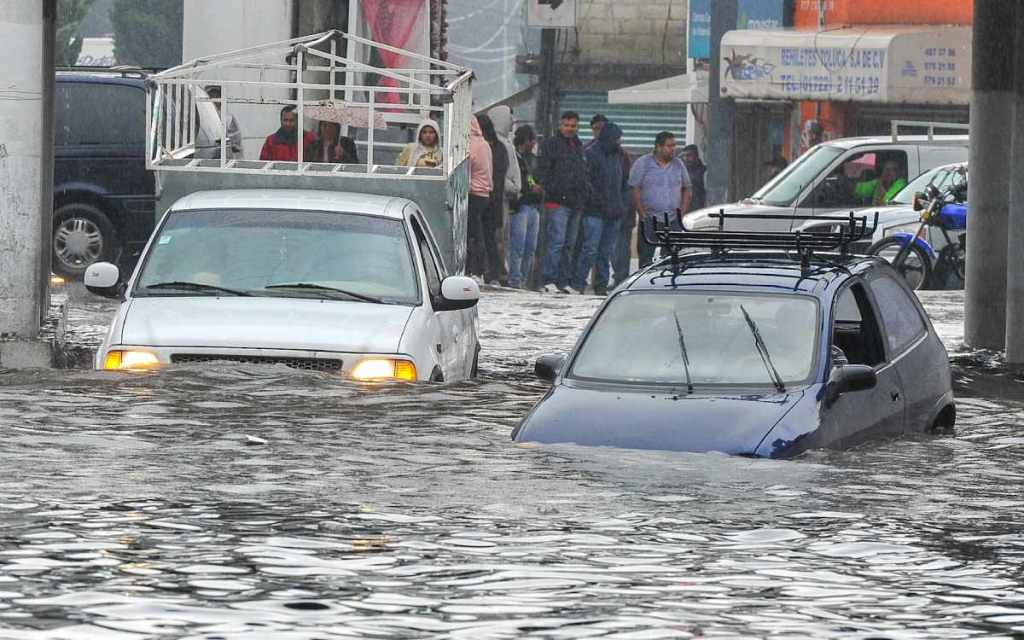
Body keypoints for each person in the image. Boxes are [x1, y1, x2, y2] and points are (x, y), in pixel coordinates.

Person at [536, 111, 590, 294]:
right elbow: (543, 171)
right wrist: (551, 189)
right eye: (566, 125)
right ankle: (548, 280)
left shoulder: (578, 146)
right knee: (556, 242)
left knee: (569, 245)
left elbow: (583, 172)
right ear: (560, 125)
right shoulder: (551, 145)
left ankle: (563, 281)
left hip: (576, 202)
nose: (569, 129)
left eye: (573, 126)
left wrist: (584, 192)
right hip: (557, 201)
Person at [573, 122, 628, 296]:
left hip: (613, 210)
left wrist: (621, 204)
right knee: (590, 249)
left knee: (605, 251)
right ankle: (578, 283)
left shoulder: (619, 155)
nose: (619, 142)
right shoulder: (591, 154)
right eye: (617, 139)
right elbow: (586, 182)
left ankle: (601, 285)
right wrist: (597, 201)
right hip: (594, 211)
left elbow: (623, 182)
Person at [629, 131, 692, 268]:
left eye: (674, 145)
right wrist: (642, 214)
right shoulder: (643, 163)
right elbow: (634, 188)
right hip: (650, 219)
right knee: (646, 259)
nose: (673, 149)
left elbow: (687, 188)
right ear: (658, 147)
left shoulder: (678, 164)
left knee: (671, 258)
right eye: (669, 146)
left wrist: (681, 212)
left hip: (673, 220)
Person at [488, 106, 522, 284]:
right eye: (509, 118)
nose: (511, 122)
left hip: (507, 197)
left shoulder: (507, 142)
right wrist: (513, 186)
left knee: (504, 238)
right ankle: (498, 272)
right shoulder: (498, 145)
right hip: (501, 197)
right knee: (499, 237)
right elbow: (499, 173)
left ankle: (502, 271)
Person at [508, 125, 542, 290]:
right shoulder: (514, 157)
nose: (534, 143)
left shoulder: (533, 159)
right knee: (518, 245)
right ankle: (515, 279)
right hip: (520, 206)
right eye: (532, 139)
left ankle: (522, 279)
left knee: (530, 247)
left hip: (533, 206)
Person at [477, 114, 506, 285]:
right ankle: (494, 273)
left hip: (484, 197)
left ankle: (488, 271)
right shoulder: (499, 147)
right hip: (494, 200)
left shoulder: (483, 147)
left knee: (483, 237)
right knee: (490, 239)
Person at [466, 116, 494, 282]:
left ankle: (475, 269)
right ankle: (481, 270)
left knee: (472, 235)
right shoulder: (485, 144)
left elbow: (467, 169)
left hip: (473, 193)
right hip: (485, 194)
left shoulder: (469, 145)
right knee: (479, 234)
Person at [196, 86, 243, 160]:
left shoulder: (228, 119)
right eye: (211, 96)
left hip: (224, 159)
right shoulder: (199, 118)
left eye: (217, 96)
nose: (214, 99)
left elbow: (236, 147)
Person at [681, 144, 707, 211]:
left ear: (696, 156)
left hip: (699, 210)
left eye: (689, 155)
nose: (686, 158)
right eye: (684, 156)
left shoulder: (704, 172)